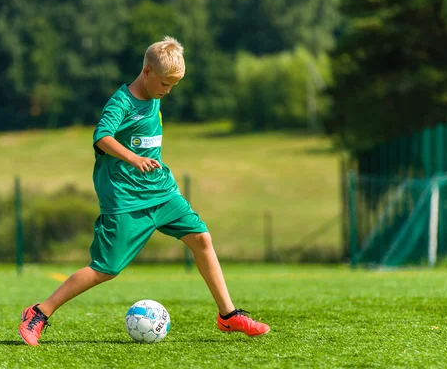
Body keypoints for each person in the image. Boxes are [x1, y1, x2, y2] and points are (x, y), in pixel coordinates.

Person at [18, 36, 270, 346]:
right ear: (146, 72)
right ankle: (38, 313)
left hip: (161, 192)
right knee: (106, 269)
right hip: (125, 198)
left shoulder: (156, 91)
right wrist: (133, 158)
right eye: (165, 83)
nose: (168, 90)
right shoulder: (122, 101)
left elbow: (165, 59)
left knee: (202, 239)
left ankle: (228, 316)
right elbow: (101, 137)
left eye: (173, 85)